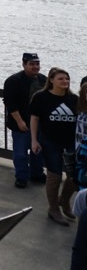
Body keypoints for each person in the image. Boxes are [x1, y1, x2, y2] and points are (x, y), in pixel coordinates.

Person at [30, 67, 78, 225]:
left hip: (71, 142)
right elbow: (35, 119)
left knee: (74, 176)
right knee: (54, 176)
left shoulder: (74, 99)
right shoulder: (41, 97)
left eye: (67, 79)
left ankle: (64, 201)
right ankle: (53, 209)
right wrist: (34, 140)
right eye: (61, 79)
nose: (65, 81)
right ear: (51, 80)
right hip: (50, 142)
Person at [3, 52, 47, 187]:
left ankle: (37, 173)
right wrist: (19, 121)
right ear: (24, 64)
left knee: (38, 151)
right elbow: (10, 103)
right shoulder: (13, 81)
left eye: (37, 64)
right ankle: (21, 176)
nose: (35, 67)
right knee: (20, 152)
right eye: (31, 64)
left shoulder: (44, 80)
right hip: (21, 123)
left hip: (40, 124)